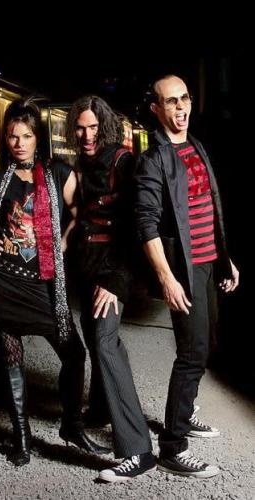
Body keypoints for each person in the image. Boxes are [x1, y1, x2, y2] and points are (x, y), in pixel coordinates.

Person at [0, 96, 110, 466]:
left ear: (38, 138)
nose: (19, 143)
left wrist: (65, 239)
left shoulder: (58, 174)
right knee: (11, 359)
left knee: (74, 353)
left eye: (27, 136)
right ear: (6, 139)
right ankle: (21, 437)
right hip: (2, 282)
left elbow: (81, 212)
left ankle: (71, 425)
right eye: (13, 136)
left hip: (44, 282)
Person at [135, 74, 239, 478]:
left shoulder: (195, 144)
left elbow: (209, 209)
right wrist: (167, 277)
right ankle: (173, 447)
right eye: (170, 102)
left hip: (209, 264)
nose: (180, 108)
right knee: (191, 353)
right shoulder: (153, 160)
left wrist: (225, 260)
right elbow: (146, 225)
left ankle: (185, 412)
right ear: (156, 109)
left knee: (207, 343)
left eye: (184, 99)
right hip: (185, 269)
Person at [65, 95, 156, 482]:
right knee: (93, 335)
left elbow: (136, 227)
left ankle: (137, 451)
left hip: (112, 268)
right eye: (80, 128)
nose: (87, 135)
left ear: (105, 127)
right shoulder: (82, 163)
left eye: (93, 127)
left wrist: (115, 282)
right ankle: (102, 409)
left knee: (104, 341)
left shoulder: (123, 161)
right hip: (87, 266)